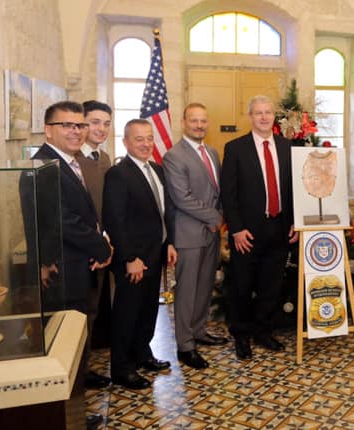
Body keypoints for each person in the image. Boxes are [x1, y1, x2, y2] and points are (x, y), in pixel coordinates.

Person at [31, 101, 113, 428]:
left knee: (77, 342)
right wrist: (102, 246)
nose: (76, 131)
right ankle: (69, 418)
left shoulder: (68, 162)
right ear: (48, 129)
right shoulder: (44, 166)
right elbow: (63, 222)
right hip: (63, 271)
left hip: (79, 264)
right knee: (64, 348)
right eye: (67, 125)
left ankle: (74, 412)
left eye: (80, 125)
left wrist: (97, 244)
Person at [220, 95, 298, 360]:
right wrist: (236, 229)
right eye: (258, 113)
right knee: (242, 285)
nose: (264, 117)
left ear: (274, 117)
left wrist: (295, 222)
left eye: (268, 112)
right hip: (247, 232)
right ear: (250, 116)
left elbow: (293, 189)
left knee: (271, 285)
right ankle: (241, 335)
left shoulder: (287, 147)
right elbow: (228, 193)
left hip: (280, 228)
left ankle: (264, 332)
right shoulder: (235, 148)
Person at [103, 119, 177, 390]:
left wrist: (169, 242)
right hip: (134, 259)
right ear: (125, 142)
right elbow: (114, 220)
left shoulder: (156, 169)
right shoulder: (118, 174)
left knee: (148, 310)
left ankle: (143, 354)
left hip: (155, 253)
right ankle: (122, 369)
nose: (146, 144)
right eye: (139, 139)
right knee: (127, 313)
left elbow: (163, 211)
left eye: (149, 138)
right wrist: (129, 258)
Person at [163, 103, 226, 370]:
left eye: (203, 121)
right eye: (193, 121)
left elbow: (218, 192)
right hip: (188, 234)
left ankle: (199, 332)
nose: (199, 125)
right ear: (183, 122)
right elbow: (182, 198)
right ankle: (185, 346)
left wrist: (219, 216)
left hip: (211, 234)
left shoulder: (212, 152)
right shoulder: (174, 156)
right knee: (187, 291)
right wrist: (215, 218)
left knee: (204, 286)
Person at [74, 100, 113, 390]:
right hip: (83, 251)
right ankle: (78, 375)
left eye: (106, 123)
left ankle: (85, 367)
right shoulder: (74, 161)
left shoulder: (104, 157)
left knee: (94, 309)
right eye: (95, 122)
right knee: (81, 314)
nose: (101, 129)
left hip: (102, 247)